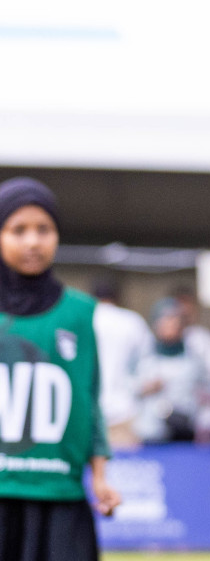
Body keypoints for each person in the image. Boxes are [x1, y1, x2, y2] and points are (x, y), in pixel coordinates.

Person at [0, 178, 120, 560]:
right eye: (18, 230)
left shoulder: (81, 313)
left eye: (44, 229)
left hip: (60, 494)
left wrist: (99, 475)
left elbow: (91, 397)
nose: (32, 241)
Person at [133, 296, 210, 443]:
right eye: (166, 320)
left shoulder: (194, 359)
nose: (171, 325)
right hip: (152, 434)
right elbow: (125, 389)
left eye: (175, 320)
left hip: (186, 432)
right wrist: (145, 388)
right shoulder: (143, 357)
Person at [92, 278, 154, 448]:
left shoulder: (82, 320)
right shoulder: (132, 321)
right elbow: (149, 366)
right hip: (124, 411)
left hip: (88, 413)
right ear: (118, 297)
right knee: (125, 471)